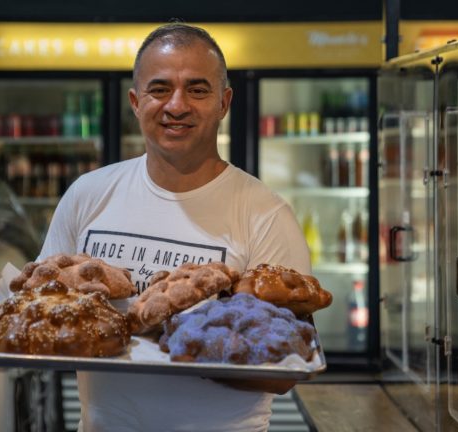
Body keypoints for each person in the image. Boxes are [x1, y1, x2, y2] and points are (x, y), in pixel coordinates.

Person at [37, 22, 311, 432]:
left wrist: (183, 346)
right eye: (159, 89)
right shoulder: (88, 194)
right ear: (135, 101)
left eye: (197, 90)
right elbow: (43, 310)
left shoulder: (266, 215)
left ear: (224, 102)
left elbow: (288, 369)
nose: (176, 105)